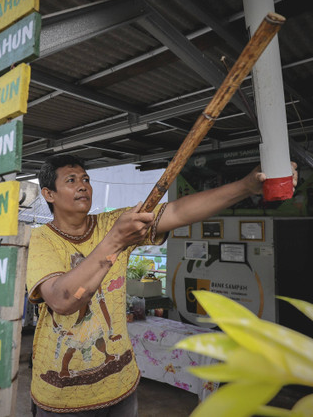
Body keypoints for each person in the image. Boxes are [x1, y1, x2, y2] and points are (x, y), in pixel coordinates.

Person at [26, 155, 297, 415]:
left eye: (85, 179)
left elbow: (177, 211)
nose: (83, 185)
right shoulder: (43, 239)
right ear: (49, 194)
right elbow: (62, 300)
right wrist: (115, 241)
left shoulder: (110, 222)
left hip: (121, 385)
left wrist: (246, 186)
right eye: (71, 180)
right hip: (62, 395)